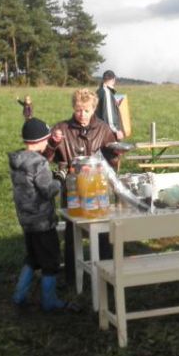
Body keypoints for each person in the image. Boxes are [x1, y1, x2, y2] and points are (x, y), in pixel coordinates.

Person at [45, 88, 120, 283]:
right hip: (72, 190)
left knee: (103, 231)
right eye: (78, 110)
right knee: (72, 233)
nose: (82, 114)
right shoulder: (62, 129)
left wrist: (115, 154)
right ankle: (72, 278)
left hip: (97, 189)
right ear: (73, 108)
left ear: (94, 109)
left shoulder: (103, 129)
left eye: (87, 110)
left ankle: (106, 276)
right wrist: (53, 143)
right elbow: (46, 158)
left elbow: (112, 161)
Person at [9, 118, 71, 311]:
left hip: (27, 220)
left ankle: (19, 295)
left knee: (33, 258)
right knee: (51, 260)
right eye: (47, 139)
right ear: (40, 140)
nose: (47, 143)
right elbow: (48, 190)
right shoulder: (39, 163)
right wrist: (60, 178)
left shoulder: (18, 161)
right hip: (43, 221)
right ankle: (49, 301)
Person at [95, 70, 125, 140]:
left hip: (99, 132)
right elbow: (108, 114)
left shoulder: (99, 91)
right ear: (114, 79)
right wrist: (116, 130)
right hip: (108, 134)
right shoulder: (107, 93)